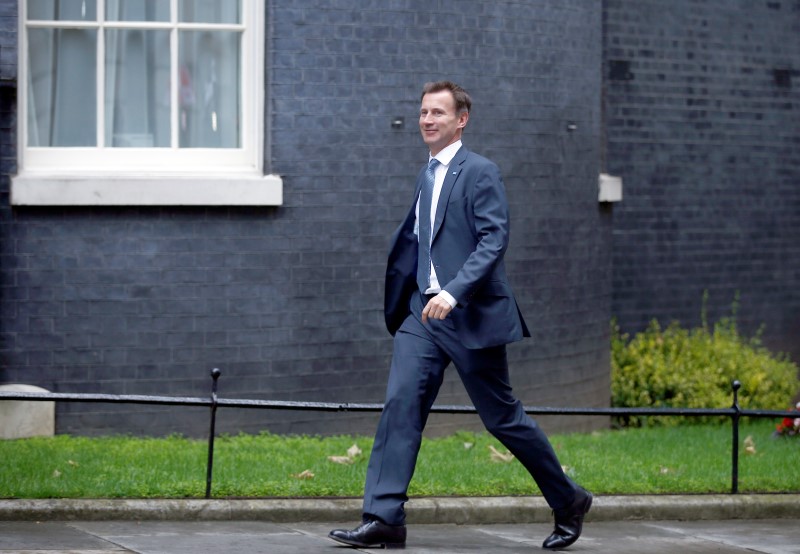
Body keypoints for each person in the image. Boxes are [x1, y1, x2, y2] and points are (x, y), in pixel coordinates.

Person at [329, 81, 591, 550]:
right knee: (401, 405)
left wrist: (453, 292)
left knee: (503, 419)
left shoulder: (480, 172)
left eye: (438, 113)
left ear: (461, 119)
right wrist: (416, 293)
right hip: (423, 314)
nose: (427, 120)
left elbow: (494, 239)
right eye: (423, 112)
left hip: (469, 315)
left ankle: (568, 499)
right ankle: (384, 516)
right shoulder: (426, 173)